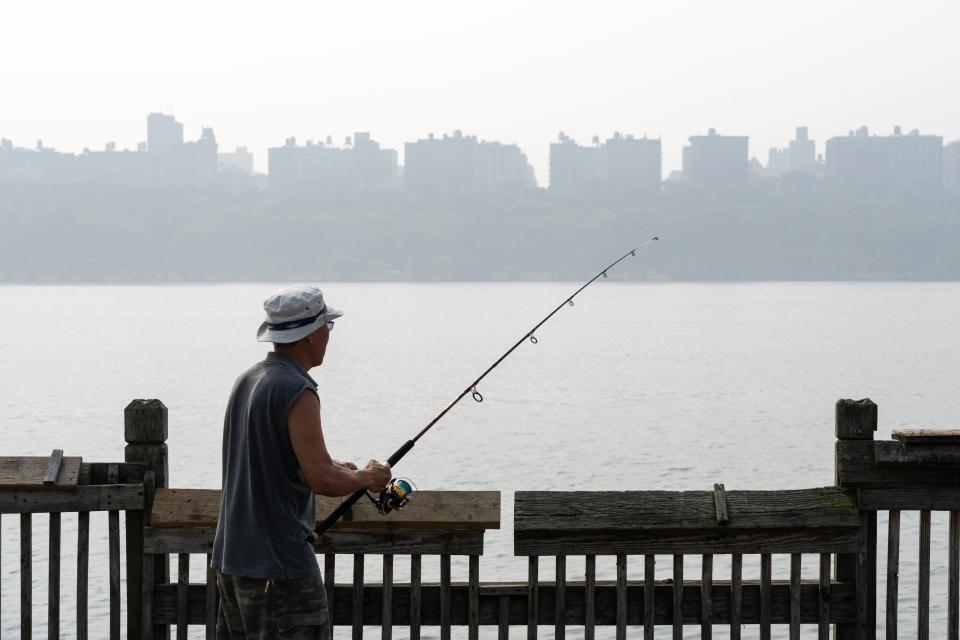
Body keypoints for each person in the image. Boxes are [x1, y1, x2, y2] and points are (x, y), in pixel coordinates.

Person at [211, 284, 392, 639]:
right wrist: (369, 478)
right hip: (279, 567)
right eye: (328, 325)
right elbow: (321, 479)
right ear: (311, 334)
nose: (329, 334)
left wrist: (341, 468)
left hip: (232, 559)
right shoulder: (298, 389)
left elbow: (275, 457)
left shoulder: (248, 380)